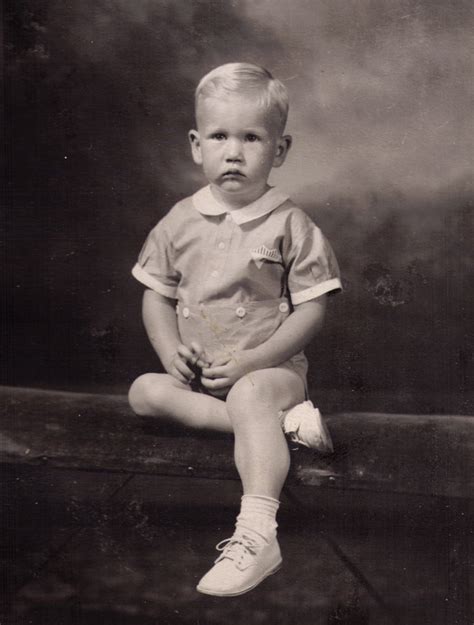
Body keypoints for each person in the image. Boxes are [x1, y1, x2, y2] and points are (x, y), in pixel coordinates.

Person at [128, 62, 342, 597]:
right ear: (197, 145)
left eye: (252, 137)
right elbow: (156, 294)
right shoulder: (178, 220)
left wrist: (255, 361)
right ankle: (283, 428)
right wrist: (170, 349)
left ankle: (257, 533)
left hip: (272, 375)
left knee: (251, 395)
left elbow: (312, 310)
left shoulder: (292, 225)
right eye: (220, 136)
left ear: (281, 150)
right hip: (201, 378)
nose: (234, 152)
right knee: (143, 393)